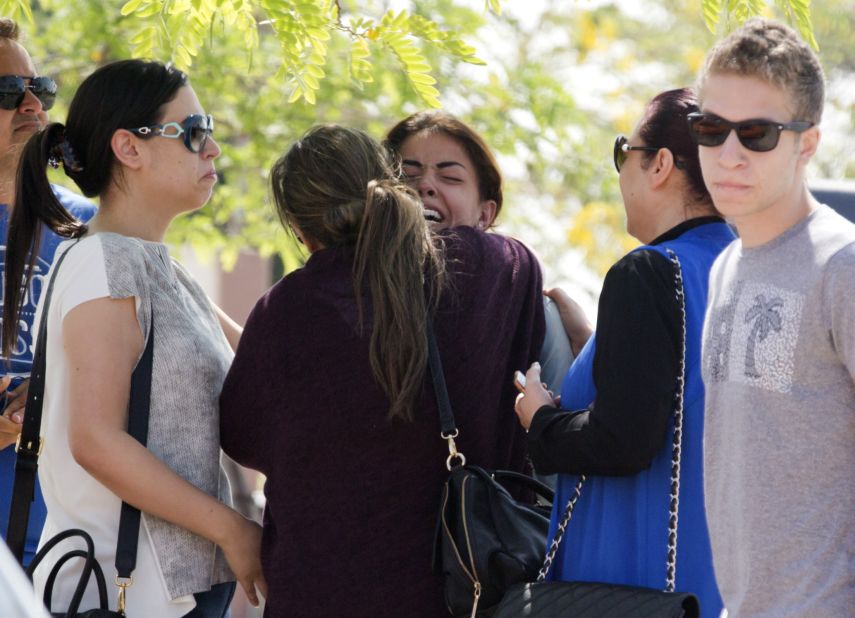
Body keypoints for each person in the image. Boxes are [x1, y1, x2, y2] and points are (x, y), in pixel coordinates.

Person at [219, 125, 545, 616]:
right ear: (390, 186)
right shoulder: (496, 264)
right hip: (456, 593)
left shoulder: (284, 308)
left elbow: (243, 436)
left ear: (300, 229)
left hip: (316, 590)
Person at [2, 59, 266, 617]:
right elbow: (96, 441)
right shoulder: (105, 262)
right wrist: (234, 531)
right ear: (130, 148)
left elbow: (263, 365)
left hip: (178, 584)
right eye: (194, 132)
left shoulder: (153, 264)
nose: (212, 148)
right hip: (129, 591)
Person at [514, 88, 734, 617]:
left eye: (624, 151)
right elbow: (685, 393)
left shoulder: (648, 272)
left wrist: (540, 419)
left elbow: (624, 440)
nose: (621, 171)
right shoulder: (749, 271)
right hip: (727, 583)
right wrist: (597, 346)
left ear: (659, 164)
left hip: (637, 584)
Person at [695, 18, 855, 616]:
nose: (728, 154)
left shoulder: (842, 265)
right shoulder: (726, 266)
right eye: (711, 129)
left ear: (806, 143)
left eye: (756, 133)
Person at [0, 16, 96, 567]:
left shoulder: (88, 226)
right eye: (9, 93)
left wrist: (48, 387)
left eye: (41, 89)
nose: (33, 106)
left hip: (61, 548)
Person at [384, 110, 575, 389]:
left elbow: (564, 418)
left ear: (485, 215)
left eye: (449, 177)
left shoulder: (533, 314)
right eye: (407, 174)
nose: (424, 185)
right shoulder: (345, 293)